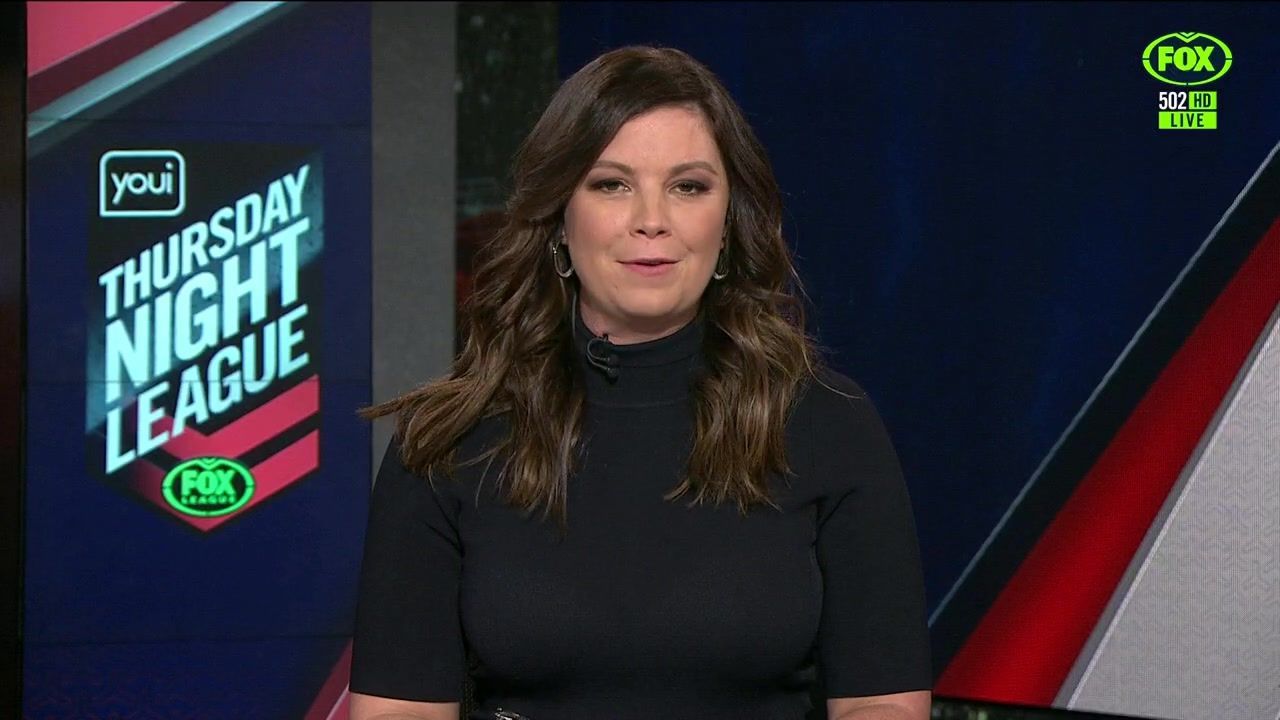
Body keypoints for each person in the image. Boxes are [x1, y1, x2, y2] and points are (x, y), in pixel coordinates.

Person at [348, 45, 932, 720]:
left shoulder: (829, 423)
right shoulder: (447, 441)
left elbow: (882, 704)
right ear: (558, 218)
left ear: (728, 221)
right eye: (611, 184)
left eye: (688, 187)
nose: (651, 219)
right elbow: (398, 710)